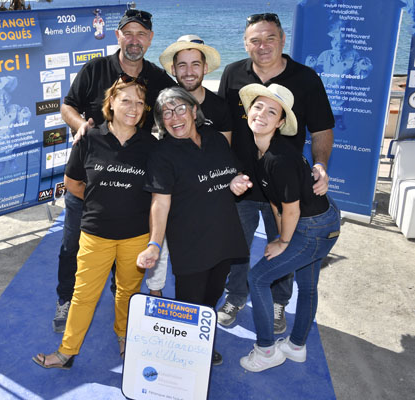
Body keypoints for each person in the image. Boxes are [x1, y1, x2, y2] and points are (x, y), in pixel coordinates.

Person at [52, 8, 174, 333]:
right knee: (72, 246)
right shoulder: (94, 69)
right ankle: (66, 298)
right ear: (117, 36)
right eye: (128, 33)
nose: (134, 40)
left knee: (127, 251)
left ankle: (121, 300)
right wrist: (81, 126)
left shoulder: (159, 79)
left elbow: (179, 110)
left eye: (141, 34)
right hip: (90, 181)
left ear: (150, 39)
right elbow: (67, 105)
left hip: (131, 187)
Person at [217, 13, 334, 332]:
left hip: (284, 188)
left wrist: (321, 164)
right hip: (241, 185)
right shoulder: (232, 73)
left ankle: (279, 301)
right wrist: (227, 173)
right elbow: (224, 128)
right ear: (245, 44)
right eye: (255, 40)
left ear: (283, 40)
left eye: (270, 38)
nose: (263, 45)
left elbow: (322, 129)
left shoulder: (306, 78)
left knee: (283, 246)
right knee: (236, 248)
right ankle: (235, 296)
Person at [34, 77, 156, 369]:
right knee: (84, 294)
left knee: (128, 293)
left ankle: (125, 336)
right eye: (126, 100)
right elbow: (73, 183)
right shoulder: (89, 138)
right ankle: (66, 352)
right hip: (95, 233)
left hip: (136, 236)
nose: (133, 108)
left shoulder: (151, 145)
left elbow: (158, 192)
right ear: (111, 102)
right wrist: (100, 203)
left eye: (140, 103)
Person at [136, 87, 250, 365]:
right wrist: (154, 244)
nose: (174, 117)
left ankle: (200, 341)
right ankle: (187, 357)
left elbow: (232, 173)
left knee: (213, 296)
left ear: (194, 110)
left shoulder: (216, 140)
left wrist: (238, 181)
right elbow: (160, 203)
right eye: (166, 113)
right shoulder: (162, 154)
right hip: (191, 244)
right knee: (190, 304)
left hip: (224, 236)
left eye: (180, 109)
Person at [236, 83, 340, 372]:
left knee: (258, 278)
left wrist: (283, 242)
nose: (262, 114)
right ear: (248, 111)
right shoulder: (261, 151)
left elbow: (291, 209)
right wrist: (282, 236)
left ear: (281, 123)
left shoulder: (278, 158)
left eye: (272, 112)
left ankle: (266, 350)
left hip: (315, 226)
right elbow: (275, 202)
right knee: (307, 286)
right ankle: (296, 347)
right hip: (318, 219)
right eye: (258, 107)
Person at [141, 34, 234, 297]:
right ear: (173, 69)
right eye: (182, 65)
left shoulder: (219, 107)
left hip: (204, 199)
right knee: (160, 239)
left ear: (205, 68)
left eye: (195, 64)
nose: (189, 71)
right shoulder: (164, 99)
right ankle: (155, 292)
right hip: (170, 184)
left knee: (203, 268)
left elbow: (224, 156)